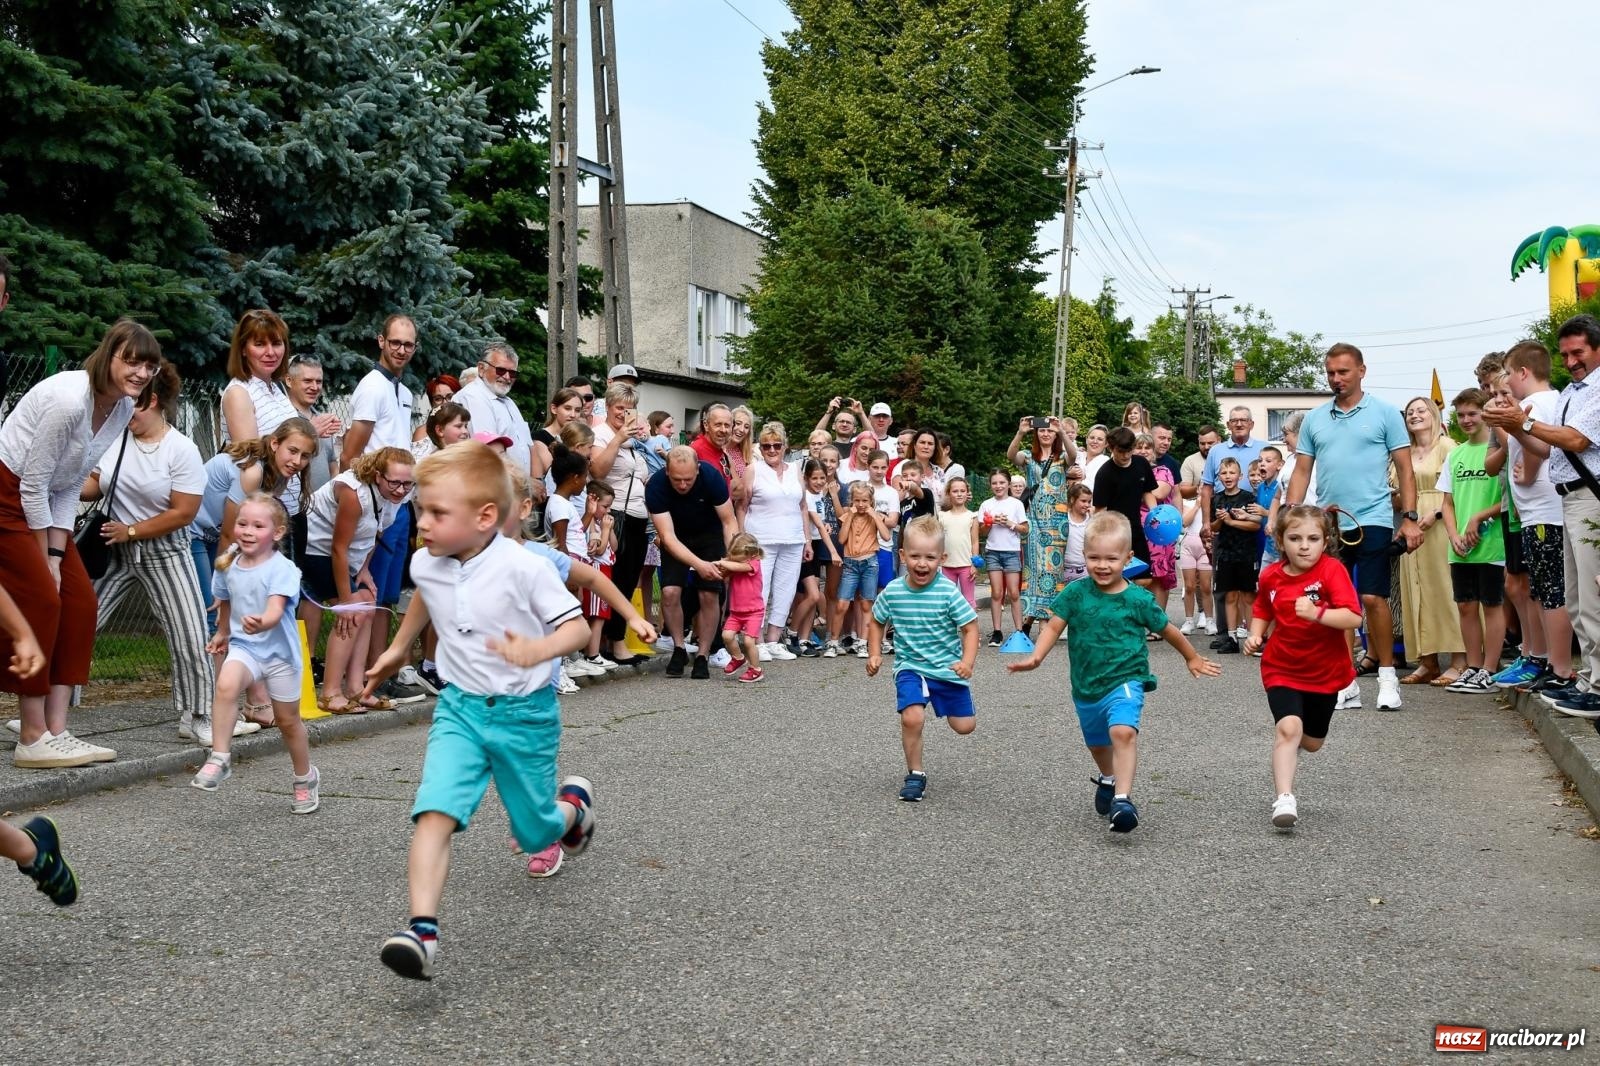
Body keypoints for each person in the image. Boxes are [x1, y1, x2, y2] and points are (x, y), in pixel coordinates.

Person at [363, 442, 596, 981]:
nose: (422, 521)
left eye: (437, 513)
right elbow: (427, 592)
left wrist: (537, 650)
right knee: (433, 812)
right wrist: (399, 648)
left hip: (524, 715)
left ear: (485, 516)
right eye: (421, 508)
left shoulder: (524, 567)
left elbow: (578, 628)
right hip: (460, 709)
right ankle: (421, 930)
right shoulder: (429, 559)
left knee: (536, 832)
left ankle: (574, 811)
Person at [0, 318, 156, 769]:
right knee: (42, 601)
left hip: (46, 500)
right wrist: (42, 561)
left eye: (149, 365)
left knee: (81, 602)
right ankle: (31, 736)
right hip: (10, 495)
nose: (141, 373)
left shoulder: (123, 408)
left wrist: (54, 553)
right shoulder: (70, 402)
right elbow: (31, 485)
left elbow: (69, 484)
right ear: (108, 355)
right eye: (131, 361)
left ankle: (56, 729)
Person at [1008, 512, 1219, 832]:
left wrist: (1191, 657)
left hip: (1126, 679)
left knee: (1123, 732)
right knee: (1097, 744)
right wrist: (1037, 656)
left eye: (1111, 558)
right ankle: (1108, 777)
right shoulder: (1075, 593)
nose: (1102, 565)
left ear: (1128, 558)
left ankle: (1122, 799)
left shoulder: (1137, 598)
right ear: (1084, 557)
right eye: (1094, 558)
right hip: (1086, 685)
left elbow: (1169, 630)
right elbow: (1053, 626)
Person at [80, 361, 216, 743]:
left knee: (188, 631)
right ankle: (47, 715)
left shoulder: (180, 449)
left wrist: (134, 530)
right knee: (78, 623)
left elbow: (183, 512)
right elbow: (95, 482)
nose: (125, 414)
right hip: (112, 547)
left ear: (153, 400)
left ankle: (199, 715)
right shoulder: (114, 438)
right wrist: (68, 484)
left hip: (165, 551)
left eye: (133, 406)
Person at [1287, 343, 1420, 712]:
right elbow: (1301, 471)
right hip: (1328, 521)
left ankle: (1387, 677)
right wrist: (1290, 517)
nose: (1336, 379)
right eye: (1330, 372)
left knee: (1373, 597)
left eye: (1343, 372)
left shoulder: (1384, 413)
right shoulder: (1315, 418)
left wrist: (1409, 518)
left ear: (1361, 370)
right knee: (1333, 601)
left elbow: (1406, 469)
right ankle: (1344, 680)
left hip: (1374, 516)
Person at [1486, 317, 1600, 715]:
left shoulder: (1597, 389)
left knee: (1589, 595)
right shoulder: (1572, 393)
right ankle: (1587, 681)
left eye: (1578, 353)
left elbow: (1576, 440)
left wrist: (1523, 422)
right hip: (1567, 498)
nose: (1570, 361)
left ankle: (1590, 682)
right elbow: (1551, 448)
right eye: (1565, 353)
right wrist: (1515, 429)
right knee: (1576, 597)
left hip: (1587, 497)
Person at [191, 494, 320, 811]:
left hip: (280, 655)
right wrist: (223, 632)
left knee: (288, 723)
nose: (247, 531)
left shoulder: (284, 569)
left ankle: (305, 777)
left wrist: (264, 621)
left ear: (276, 533)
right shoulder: (227, 564)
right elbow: (226, 601)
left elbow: (276, 609)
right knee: (226, 685)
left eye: (257, 526)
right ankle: (220, 757)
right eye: (242, 523)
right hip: (246, 646)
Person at [1242, 505, 1361, 829]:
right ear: (1281, 541)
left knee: (1311, 742)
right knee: (1288, 729)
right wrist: (1255, 634)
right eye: (1295, 538)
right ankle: (1284, 798)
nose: (1304, 546)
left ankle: (1299, 744)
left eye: (1312, 538)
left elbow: (1353, 617)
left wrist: (1317, 614)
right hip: (1282, 667)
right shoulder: (1271, 576)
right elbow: (1262, 608)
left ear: (1325, 541)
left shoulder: (1331, 570)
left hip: (1325, 672)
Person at [865, 514, 979, 802]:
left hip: (946, 667)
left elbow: (970, 627)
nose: (922, 563)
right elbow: (877, 621)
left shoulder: (947, 592)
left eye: (930, 557)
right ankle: (915, 774)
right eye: (915, 556)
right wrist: (875, 653)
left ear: (942, 558)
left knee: (965, 726)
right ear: (902, 555)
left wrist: (967, 662)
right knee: (912, 718)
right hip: (910, 667)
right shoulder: (893, 591)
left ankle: (941, 699)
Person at [303, 446, 416, 713]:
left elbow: (374, 534)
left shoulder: (393, 498)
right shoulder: (354, 494)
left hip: (347, 556)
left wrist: (364, 570)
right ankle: (330, 692)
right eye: (394, 482)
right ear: (377, 476)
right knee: (353, 610)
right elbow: (338, 548)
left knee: (368, 601)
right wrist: (344, 602)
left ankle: (357, 688)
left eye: (407, 484)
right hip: (314, 550)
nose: (401, 490)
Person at [1488, 341, 1573, 694]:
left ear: (1523, 372)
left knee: (1551, 592)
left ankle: (1560, 667)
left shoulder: (1535, 405)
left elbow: (1542, 445)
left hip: (1544, 512)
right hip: (1541, 512)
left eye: (1508, 373)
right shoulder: (1552, 400)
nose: (1506, 380)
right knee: (1541, 590)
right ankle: (1545, 659)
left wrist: (1527, 471)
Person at [342, 314, 420, 644]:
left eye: (408, 344)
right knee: (369, 591)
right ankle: (357, 678)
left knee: (386, 595)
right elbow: (350, 454)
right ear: (381, 342)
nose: (401, 350)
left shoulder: (401, 390)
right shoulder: (372, 387)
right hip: (378, 503)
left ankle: (378, 669)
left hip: (399, 502)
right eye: (395, 343)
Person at [1392, 397, 1466, 686]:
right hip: (1411, 524)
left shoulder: (1447, 447)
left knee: (1445, 589)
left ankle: (1460, 659)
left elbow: (1460, 488)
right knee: (1416, 590)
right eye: (1410, 412)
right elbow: (1397, 491)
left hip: (1439, 522)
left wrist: (1434, 514)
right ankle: (1427, 660)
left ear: (1434, 415)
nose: (1415, 415)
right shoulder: (1405, 452)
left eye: (1421, 410)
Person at [1438, 389, 1507, 694]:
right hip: (1461, 548)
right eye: (1461, 415)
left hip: (1492, 543)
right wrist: (1453, 534)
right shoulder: (1456, 455)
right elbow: (1447, 503)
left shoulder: (1498, 450)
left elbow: (1508, 498)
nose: (1466, 420)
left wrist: (1480, 517)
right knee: (1466, 606)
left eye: (1472, 414)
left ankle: (1490, 670)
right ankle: (1473, 667)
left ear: (1485, 414)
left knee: (1491, 605)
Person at [648, 446, 738, 680]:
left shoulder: (711, 477)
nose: (682, 485)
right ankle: (679, 647)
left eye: (688, 479)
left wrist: (731, 557)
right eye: (677, 479)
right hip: (677, 537)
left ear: (697, 470)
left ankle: (703, 654)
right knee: (669, 592)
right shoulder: (656, 486)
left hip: (709, 535)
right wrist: (698, 565)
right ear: (667, 472)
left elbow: (729, 522)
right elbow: (667, 537)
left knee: (709, 594)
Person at [589, 383, 652, 664]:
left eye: (630, 409)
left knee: (628, 579)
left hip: (637, 516)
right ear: (609, 406)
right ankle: (610, 643)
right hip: (615, 515)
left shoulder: (633, 441)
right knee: (615, 580)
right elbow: (598, 471)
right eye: (619, 408)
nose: (624, 414)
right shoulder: (602, 436)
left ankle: (616, 639)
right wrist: (618, 438)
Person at [742, 422, 806, 661]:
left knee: (785, 590)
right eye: (766, 445)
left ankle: (773, 638)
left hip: (792, 538)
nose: (771, 449)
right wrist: (741, 536)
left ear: (784, 446)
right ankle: (755, 639)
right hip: (761, 539)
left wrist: (807, 540)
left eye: (776, 445)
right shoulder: (754, 469)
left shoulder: (795, 470)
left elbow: (802, 506)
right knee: (759, 590)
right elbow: (743, 504)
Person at [1007, 416, 1076, 634]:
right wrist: (1021, 432)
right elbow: (1011, 456)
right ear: (1037, 434)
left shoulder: (1062, 457)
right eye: (1042, 431)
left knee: (1053, 572)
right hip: (1034, 521)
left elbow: (1074, 456)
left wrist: (1062, 431)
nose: (1045, 434)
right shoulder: (1028, 457)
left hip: (1057, 523)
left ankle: (1045, 620)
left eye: (1049, 431)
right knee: (1033, 570)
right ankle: (1030, 619)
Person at [285, 355, 344, 557]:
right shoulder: (283, 417)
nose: (314, 387)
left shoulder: (321, 417)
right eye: (307, 381)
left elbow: (332, 464)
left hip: (322, 516)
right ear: (289, 381)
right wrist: (310, 431)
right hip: (293, 512)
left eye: (318, 381)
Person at [827, 481, 893, 658]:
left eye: (865, 501)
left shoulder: (875, 515)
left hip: (869, 563)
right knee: (842, 604)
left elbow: (886, 536)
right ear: (852, 501)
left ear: (871, 501)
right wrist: (849, 516)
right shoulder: (848, 514)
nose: (861, 504)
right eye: (857, 500)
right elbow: (841, 540)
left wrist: (875, 515)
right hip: (850, 564)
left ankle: (863, 642)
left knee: (866, 603)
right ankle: (833, 642)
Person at [453, 345, 533, 475]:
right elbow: (488, 452)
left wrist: (535, 479)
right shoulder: (473, 397)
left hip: (517, 487)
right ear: (481, 369)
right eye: (501, 370)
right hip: (494, 485)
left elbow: (528, 445)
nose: (507, 377)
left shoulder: (509, 402)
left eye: (512, 373)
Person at [1208, 458, 1260, 654]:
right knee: (1229, 595)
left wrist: (1232, 521)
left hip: (1246, 553)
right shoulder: (1216, 498)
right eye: (1224, 473)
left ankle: (1252, 637)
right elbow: (1213, 527)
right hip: (1225, 553)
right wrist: (1221, 521)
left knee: (1248, 595)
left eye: (1231, 473)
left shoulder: (1248, 498)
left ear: (1240, 476)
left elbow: (1255, 525)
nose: (1227, 476)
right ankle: (1231, 637)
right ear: (1219, 477)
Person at [1093, 427, 1159, 572]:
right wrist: (1101, 538)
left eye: (1129, 450)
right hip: (1113, 531)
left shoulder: (1141, 464)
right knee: (1117, 575)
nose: (1125, 455)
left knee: (1145, 577)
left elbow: (1147, 492)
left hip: (1136, 528)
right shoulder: (1105, 474)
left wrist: (1154, 513)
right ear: (1111, 448)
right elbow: (1100, 511)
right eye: (1120, 451)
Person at [979, 471, 1028, 645]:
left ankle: (1019, 631)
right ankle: (997, 632)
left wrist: (1009, 523)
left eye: (1002, 482)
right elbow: (981, 532)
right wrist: (990, 523)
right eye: (994, 483)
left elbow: (1025, 529)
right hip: (993, 551)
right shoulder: (986, 504)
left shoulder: (1016, 504)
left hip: (1012, 552)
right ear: (990, 485)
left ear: (1008, 484)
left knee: (1014, 593)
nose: (998, 486)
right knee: (997, 593)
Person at [1133, 432, 1179, 615]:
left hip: (1157, 532)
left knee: (1158, 577)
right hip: (1134, 530)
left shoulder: (1163, 471)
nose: (1143, 451)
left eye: (1147, 448)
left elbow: (1158, 493)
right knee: (1136, 575)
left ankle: (1157, 624)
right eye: (1139, 447)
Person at [718, 532, 766, 683]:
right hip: (736, 612)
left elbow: (738, 566)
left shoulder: (753, 564)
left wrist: (724, 562)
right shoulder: (736, 566)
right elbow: (726, 574)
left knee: (749, 641)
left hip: (754, 612)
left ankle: (755, 669)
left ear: (750, 554)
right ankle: (738, 658)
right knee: (726, 636)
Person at [936, 476, 979, 607]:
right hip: (946, 565)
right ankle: (950, 627)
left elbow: (975, 541)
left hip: (966, 565)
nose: (959, 494)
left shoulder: (972, 516)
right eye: (955, 491)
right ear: (949, 494)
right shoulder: (942, 516)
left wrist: (974, 564)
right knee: (948, 600)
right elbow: (938, 540)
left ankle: (971, 627)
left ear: (967, 493)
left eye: (962, 491)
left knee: (968, 600)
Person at [532, 387, 587, 488]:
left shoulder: (580, 438)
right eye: (567, 408)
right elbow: (555, 474)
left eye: (578, 410)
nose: (573, 415)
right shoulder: (539, 438)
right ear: (554, 409)